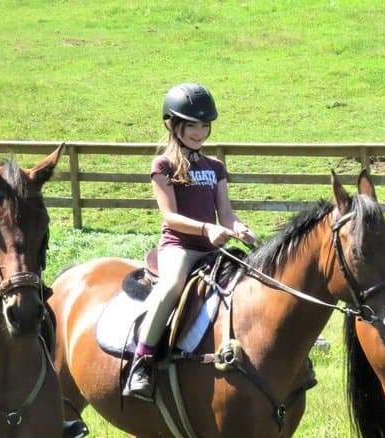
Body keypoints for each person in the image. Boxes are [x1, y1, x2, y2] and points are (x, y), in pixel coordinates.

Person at [122, 82, 258, 402]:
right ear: (173, 124)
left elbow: (226, 214)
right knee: (170, 287)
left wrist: (239, 228)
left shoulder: (216, 167)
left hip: (213, 249)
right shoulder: (163, 166)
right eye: (191, 125)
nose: (199, 132)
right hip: (178, 248)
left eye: (204, 125)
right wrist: (205, 229)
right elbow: (169, 216)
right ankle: (142, 360)